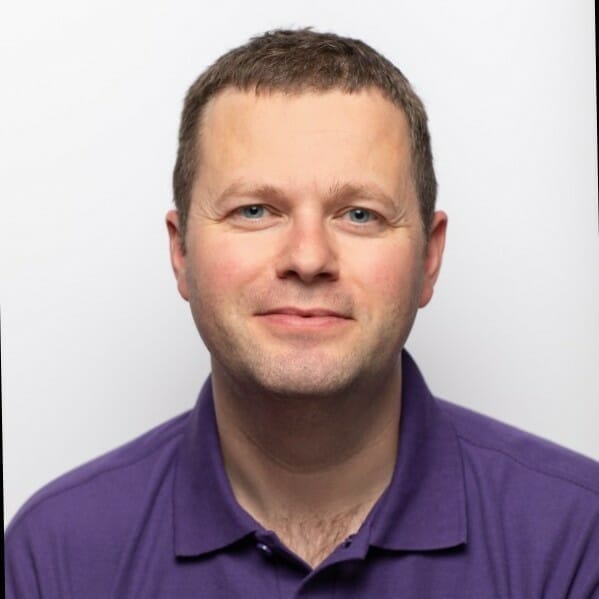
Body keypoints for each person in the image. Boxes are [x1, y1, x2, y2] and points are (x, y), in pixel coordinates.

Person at [5, 28, 599, 598]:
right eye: (256, 210)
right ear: (181, 252)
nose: (309, 258)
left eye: (360, 214)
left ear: (429, 259)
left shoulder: (577, 540)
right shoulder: (54, 555)